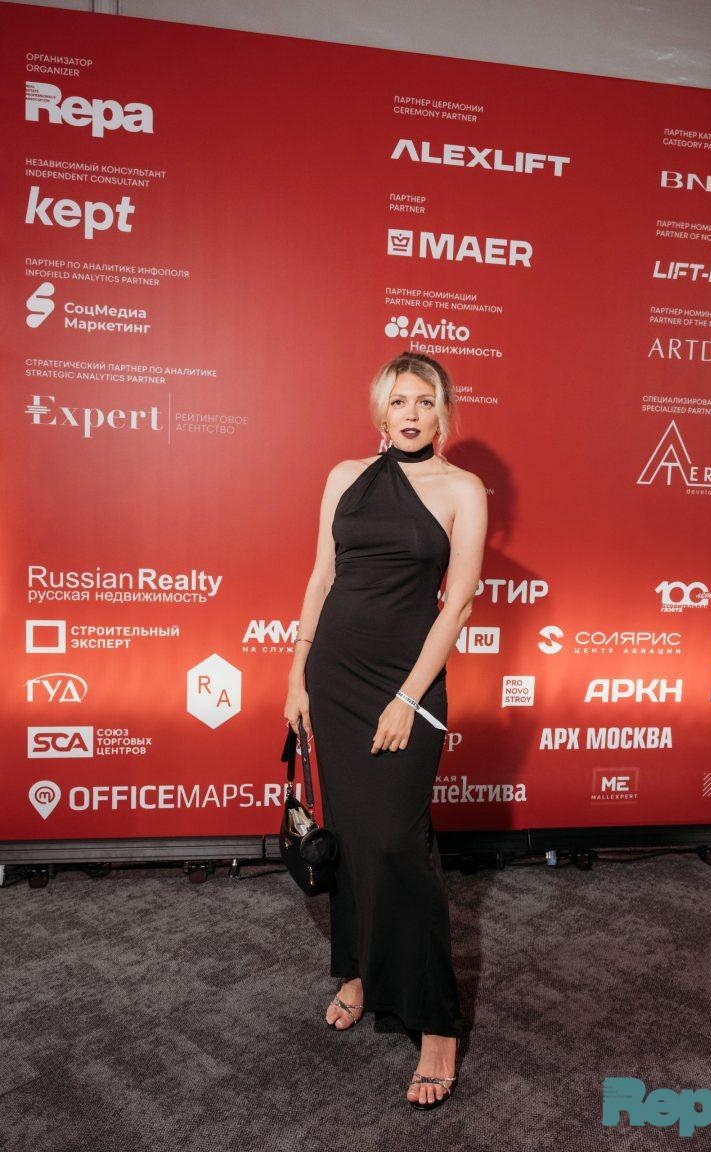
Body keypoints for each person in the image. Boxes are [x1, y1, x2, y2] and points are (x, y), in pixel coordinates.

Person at [283, 351, 487, 1108]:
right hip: (334, 675)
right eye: (399, 401)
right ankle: (359, 970)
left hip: (407, 682)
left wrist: (407, 696)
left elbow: (458, 603)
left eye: (425, 402)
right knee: (353, 834)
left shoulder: (462, 489)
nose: (411, 414)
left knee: (400, 843)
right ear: (380, 409)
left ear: (443, 413)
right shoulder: (345, 477)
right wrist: (296, 673)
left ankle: (436, 1024)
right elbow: (321, 577)